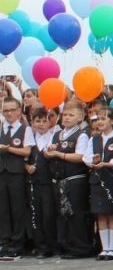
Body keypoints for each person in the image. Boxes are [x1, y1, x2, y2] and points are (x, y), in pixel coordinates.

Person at [47, 100, 92, 259]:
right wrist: (50, 151)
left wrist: (59, 154)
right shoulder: (57, 134)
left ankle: (80, 247)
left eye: (71, 115)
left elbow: (80, 157)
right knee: (63, 213)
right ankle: (65, 245)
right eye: (64, 114)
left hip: (75, 179)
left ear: (80, 118)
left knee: (76, 214)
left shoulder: (82, 134)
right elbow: (50, 152)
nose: (66, 118)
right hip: (59, 179)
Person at [86, 107, 113, 260]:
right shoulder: (94, 138)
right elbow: (86, 156)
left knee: (112, 212)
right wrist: (92, 162)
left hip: (112, 180)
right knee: (100, 213)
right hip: (97, 180)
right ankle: (105, 247)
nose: (100, 122)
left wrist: (107, 164)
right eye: (98, 119)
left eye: (103, 118)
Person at [0, 97, 34, 258]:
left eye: (12, 110)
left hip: (17, 173)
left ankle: (18, 242)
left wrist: (8, 149)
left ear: (19, 110)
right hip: (2, 173)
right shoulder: (1, 128)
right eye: (5, 110)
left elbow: (27, 151)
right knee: (3, 209)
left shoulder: (25, 129)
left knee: (18, 208)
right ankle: (4, 241)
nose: (9, 113)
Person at [25, 107, 56, 258]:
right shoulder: (30, 138)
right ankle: (40, 246)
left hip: (49, 181)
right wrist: (27, 166)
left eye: (45, 121)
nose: (41, 124)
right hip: (33, 182)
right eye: (38, 121)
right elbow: (23, 158)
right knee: (35, 214)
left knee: (49, 214)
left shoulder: (54, 137)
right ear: (33, 122)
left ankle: (52, 244)